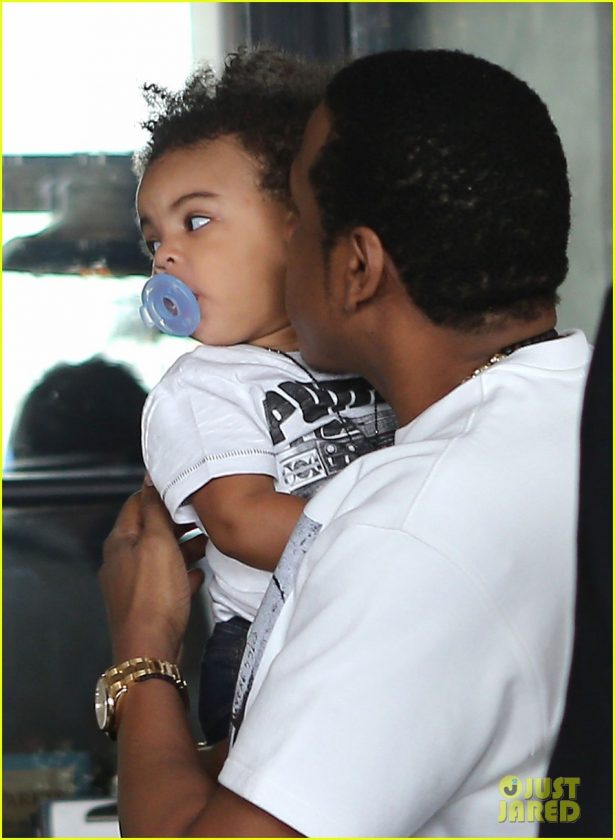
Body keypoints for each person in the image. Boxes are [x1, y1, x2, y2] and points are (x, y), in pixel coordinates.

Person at [99, 49, 592, 836]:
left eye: (296, 218)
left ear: (356, 268)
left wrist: (140, 650)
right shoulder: (581, 409)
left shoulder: (402, 532)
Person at [135, 48, 397, 749]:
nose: (163, 255)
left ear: (299, 220)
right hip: (268, 640)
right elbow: (241, 520)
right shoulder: (201, 386)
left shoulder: (370, 351)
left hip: (376, 615)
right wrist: (405, 539)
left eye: (195, 222)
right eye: (152, 237)